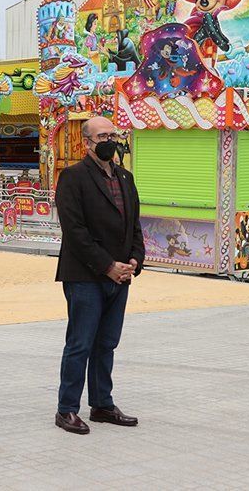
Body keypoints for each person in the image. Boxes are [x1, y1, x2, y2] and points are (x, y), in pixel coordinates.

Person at [53, 116, 144, 434]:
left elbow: (134, 223)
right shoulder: (73, 178)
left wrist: (134, 259)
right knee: (80, 343)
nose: (110, 140)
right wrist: (107, 265)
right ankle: (67, 409)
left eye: (113, 135)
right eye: (102, 136)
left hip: (120, 276)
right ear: (86, 142)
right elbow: (75, 232)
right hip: (85, 275)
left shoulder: (125, 177)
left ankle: (102, 404)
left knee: (107, 343)